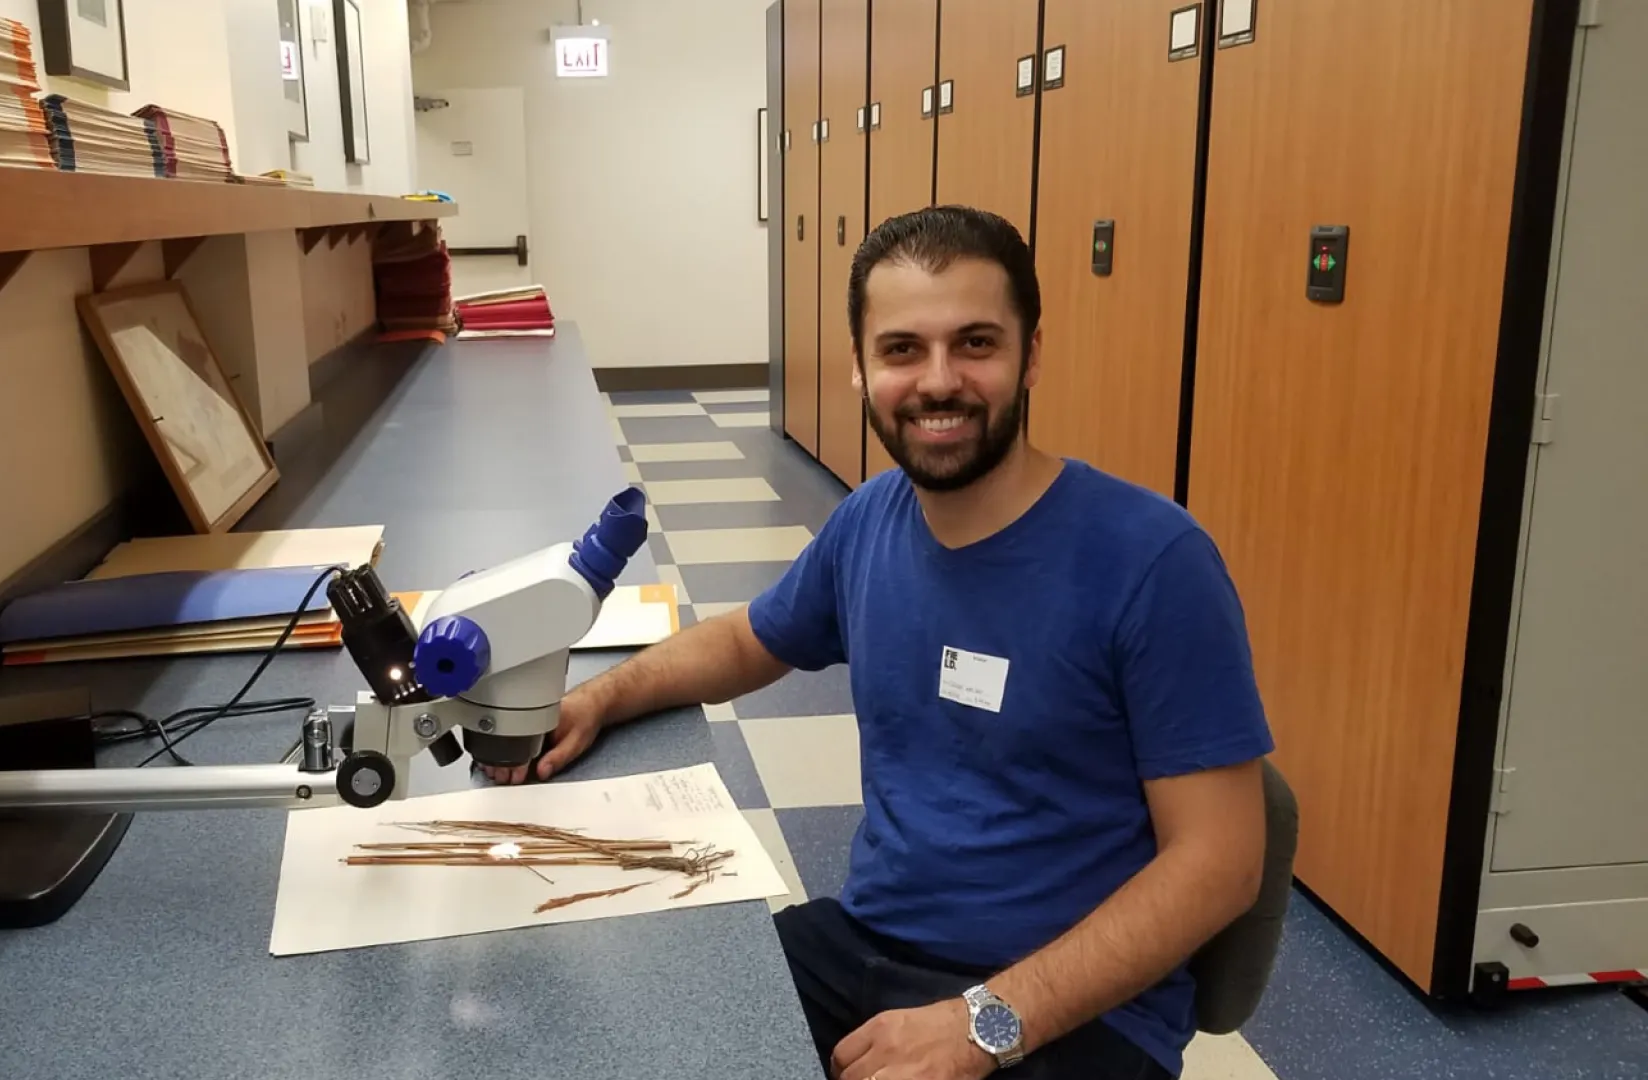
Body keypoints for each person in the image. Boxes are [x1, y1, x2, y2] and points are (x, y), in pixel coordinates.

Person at [486, 205, 1273, 1080]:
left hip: (1071, 1009)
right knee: (633, 1035)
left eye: (976, 343)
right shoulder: (871, 522)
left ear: (1032, 355)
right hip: (867, 947)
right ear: (860, 368)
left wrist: (984, 1024)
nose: (939, 381)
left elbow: (1222, 862)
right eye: (903, 349)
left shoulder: (1152, 561)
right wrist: (601, 697)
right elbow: (751, 639)